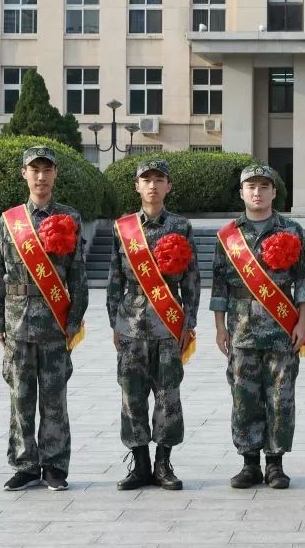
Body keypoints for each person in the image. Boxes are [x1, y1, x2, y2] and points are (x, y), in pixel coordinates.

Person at [0, 146, 88, 491]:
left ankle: (55, 466)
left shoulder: (70, 218)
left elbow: (77, 274)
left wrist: (74, 320)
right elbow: (0, 270)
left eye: (47, 170)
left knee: (53, 398)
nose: (41, 176)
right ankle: (25, 465)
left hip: (55, 324)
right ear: (24, 174)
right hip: (17, 323)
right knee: (20, 397)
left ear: (55, 174)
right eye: (35, 170)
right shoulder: (10, 220)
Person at [212, 164, 305, 490]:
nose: (257, 192)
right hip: (241, 331)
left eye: (263, 186)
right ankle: (248, 463)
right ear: (242, 192)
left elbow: (304, 281)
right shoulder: (228, 236)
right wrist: (219, 327)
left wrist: (302, 322)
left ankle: (275, 464)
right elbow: (219, 287)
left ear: (274, 192)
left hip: (282, 331)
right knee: (244, 398)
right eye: (251, 186)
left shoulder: (291, 230)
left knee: (280, 398)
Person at [107, 160, 200, 491]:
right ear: (136, 186)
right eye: (146, 180)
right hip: (131, 326)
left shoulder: (181, 226)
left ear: (168, 186)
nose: (152, 186)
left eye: (159, 180)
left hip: (167, 325)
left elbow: (191, 279)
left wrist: (188, 323)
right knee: (131, 396)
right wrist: (114, 324)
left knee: (168, 396)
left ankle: (163, 464)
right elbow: (115, 279)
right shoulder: (124, 227)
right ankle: (140, 465)